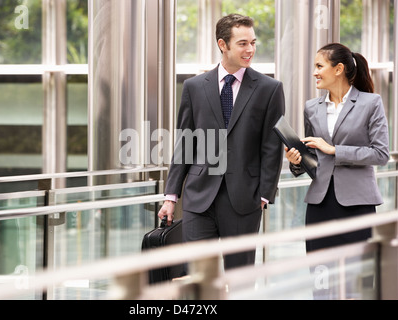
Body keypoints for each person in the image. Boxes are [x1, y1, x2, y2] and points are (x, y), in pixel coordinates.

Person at [158, 13, 285, 270]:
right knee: (200, 278)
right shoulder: (194, 87)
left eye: (253, 42)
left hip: (244, 198)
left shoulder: (269, 88)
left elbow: (272, 146)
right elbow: (185, 143)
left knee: (240, 277)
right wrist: (171, 195)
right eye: (242, 43)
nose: (250, 49)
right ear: (222, 44)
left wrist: (264, 193)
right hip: (198, 197)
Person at [285, 43, 389, 252]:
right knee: (320, 273)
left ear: (338, 69)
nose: (315, 72)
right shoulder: (311, 107)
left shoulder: (371, 103)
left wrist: (335, 150)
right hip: (319, 203)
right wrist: (296, 162)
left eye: (319, 66)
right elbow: (313, 156)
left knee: (358, 275)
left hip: (357, 203)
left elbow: (381, 154)